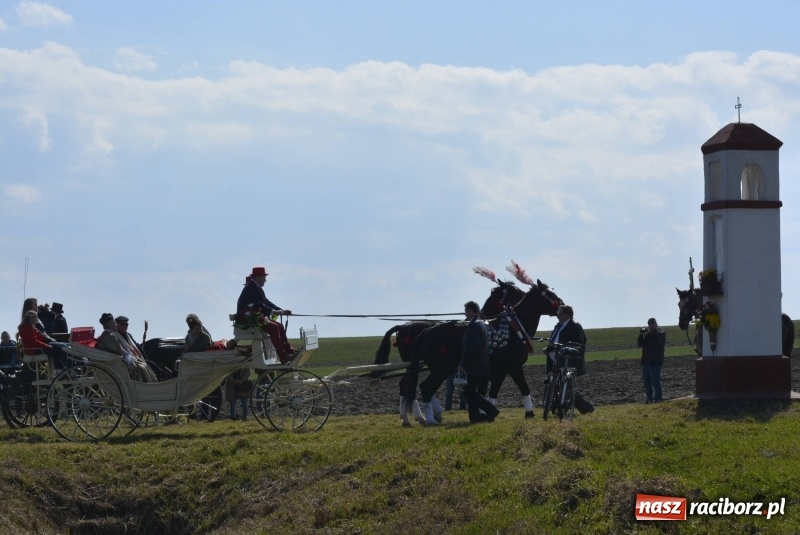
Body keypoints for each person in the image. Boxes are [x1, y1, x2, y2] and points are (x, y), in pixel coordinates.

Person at [236, 266, 297, 363]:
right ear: (258, 277)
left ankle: (289, 351)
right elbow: (257, 304)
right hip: (248, 320)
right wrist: (273, 312)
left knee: (279, 326)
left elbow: (266, 302)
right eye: (264, 277)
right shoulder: (251, 288)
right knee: (274, 327)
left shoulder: (255, 287)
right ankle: (282, 356)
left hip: (255, 317)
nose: (265, 280)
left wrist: (281, 310)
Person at [458, 301, 500, 424]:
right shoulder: (481, 324)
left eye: (466, 310)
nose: (465, 313)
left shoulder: (473, 325)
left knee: (469, 392)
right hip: (483, 365)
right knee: (474, 393)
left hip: (474, 366)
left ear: (471, 310)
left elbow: (471, 347)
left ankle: (491, 410)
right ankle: (475, 418)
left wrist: (463, 363)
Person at [96, 313, 157, 382]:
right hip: (118, 363)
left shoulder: (125, 335)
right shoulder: (109, 335)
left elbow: (136, 347)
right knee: (141, 367)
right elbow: (118, 350)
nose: (115, 325)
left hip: (124, 360)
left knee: (148, 365)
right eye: (114, 323)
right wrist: (130, 358)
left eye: (126, 324)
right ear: (110, 324)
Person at [545, 305, 587, 373]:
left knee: (564, 381)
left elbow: (578, 343)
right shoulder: (558, 326)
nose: (557, 315)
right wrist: (548, 348)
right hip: (553, 361)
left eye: (560, 313)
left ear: (567, 315)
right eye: (557, 313)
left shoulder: (575, 326)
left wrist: (560, 348)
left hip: (566, 361)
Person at [638, 317, 666, 403]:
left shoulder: (661, 334)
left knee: (655, 382)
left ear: (656, 324)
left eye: (653, 324)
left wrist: (648, 335)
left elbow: (657, 343)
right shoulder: (647, 335)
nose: (651, 326)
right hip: (646, 362)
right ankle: (649, 399)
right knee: (647, 383)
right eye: (650, 324)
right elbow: (640, 344)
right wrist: (641, 335)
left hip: (655, 362)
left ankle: (658, 398)